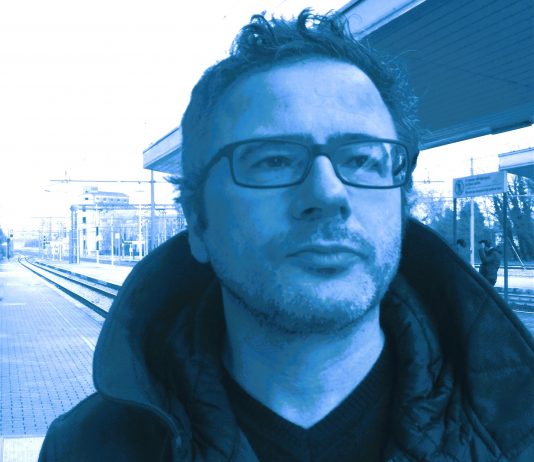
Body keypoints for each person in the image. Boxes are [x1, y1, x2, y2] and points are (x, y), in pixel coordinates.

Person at [39, 10, 534, 461]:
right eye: (273, 160)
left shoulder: (520, 428)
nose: (328, 193)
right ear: (198, 223)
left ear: (402, 202)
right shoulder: (86, 449)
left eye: (362, 159)